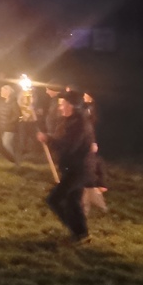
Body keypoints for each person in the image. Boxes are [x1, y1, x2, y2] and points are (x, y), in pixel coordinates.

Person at [37, 91, 96, 244]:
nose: (60, 107)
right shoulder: (69, 121)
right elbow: (61, 138)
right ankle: (81, 234)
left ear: (72, 106)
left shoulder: (79, 124)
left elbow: (69, 146)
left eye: (63, 104)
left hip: (78, 170)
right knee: (72, 202)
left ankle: (75, 230)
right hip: (72, 168)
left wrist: (48, 139)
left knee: (54, 199)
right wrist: (49, 136)